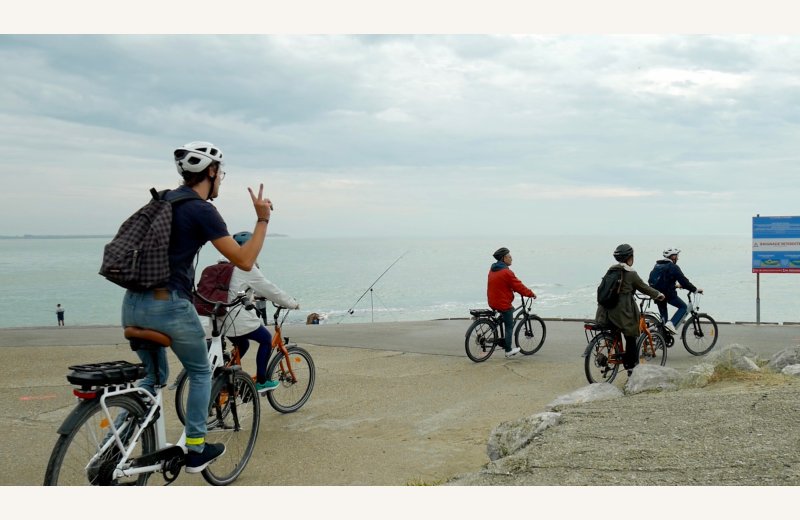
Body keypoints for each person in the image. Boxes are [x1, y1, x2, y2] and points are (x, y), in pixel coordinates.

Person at [121, 141, 272, 474]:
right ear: (212, 172)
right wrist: (262, 220)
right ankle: (195, 449)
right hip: (169, 306)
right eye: (221, 174)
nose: (221, 180)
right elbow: (244, 260)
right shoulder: (201, 209)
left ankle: (114, 445)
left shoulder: (161, 201)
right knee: (202, 371)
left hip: (132, 303)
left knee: (152, 377)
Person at [221, 230, 300, 395]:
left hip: (221, 319)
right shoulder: (246, 268)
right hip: (237, 320)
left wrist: (253, 294)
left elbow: (234, 290)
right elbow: (271, 289)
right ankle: (262, 382)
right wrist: (292, 303)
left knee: (243, 344)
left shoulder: (224, 265)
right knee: (265, 339)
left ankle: (226, 376)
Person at [595, 244, 664, 374]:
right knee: (631, 335)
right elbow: (643, 287)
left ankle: (612, 350)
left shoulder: (611, 270)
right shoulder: (630, 273)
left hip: (604, 311)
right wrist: (658, 294)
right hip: (622, 312)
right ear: (629, 258)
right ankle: (631, 368)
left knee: (615, 330)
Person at [487, 247, 536, 358]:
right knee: (509, 325)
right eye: (509, 257)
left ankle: (502, 338)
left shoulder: (493, 269)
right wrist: (530, 294)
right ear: (503, 258)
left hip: (492, 301)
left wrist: (510, 288)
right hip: (502, 303)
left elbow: (501, 284)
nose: (511, 258)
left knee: (509, 313)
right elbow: (519, 286)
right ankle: (508, 350)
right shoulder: (507, 272)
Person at [648, 248, 703, 335]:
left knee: (663, 321)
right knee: (683, 307)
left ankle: (661, 338)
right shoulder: (673, 267)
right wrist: (695, 290)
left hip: (657, 294)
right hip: (668, 295)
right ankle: (672, 323)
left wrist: (675, 286)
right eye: (676, 256)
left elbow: (661, 281)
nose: (677, 258)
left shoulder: (657, 265)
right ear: (672, 257)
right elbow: (684, 281)